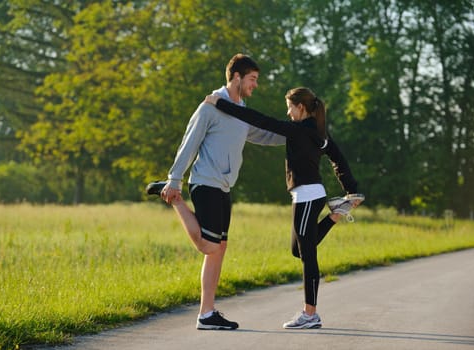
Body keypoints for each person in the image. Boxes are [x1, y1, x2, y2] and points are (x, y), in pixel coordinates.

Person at [204, 87, 364, 329]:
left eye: (290, 107)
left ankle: (310, 314)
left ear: (301, 107)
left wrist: (221, 104)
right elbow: (338, 158)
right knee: (298, 250)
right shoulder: (317, 132)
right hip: (305, 196)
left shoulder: (300, 131)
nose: (288, 113)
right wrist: (350, 188)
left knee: (308, 254)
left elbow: (260, 120)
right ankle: (337, 214)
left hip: (309, 196)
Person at [146, 54, 285, 330]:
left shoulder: (241, 111)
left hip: (223, 187)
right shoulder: (210, 107)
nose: (255, 85)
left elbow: (263, 135)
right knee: (207, 245)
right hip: (205, 182)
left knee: (218, 249)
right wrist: (175, 179)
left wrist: (296, 137)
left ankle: (207, 313)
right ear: (236, 77)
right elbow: (190, 141)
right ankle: (173, 198)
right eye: (252, 79)